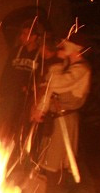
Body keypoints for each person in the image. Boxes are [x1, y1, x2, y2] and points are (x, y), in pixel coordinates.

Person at [31, 33, 91, 185]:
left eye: (67, 44)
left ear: (76, 49)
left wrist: (57, 63)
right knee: (47, 158)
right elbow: (50, 91)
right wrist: (40, 110)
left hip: (65, 119)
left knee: (56, 161)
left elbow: (56, 83)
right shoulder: (67, 66)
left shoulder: (82, 69)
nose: (63, 46)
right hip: (54, 118)